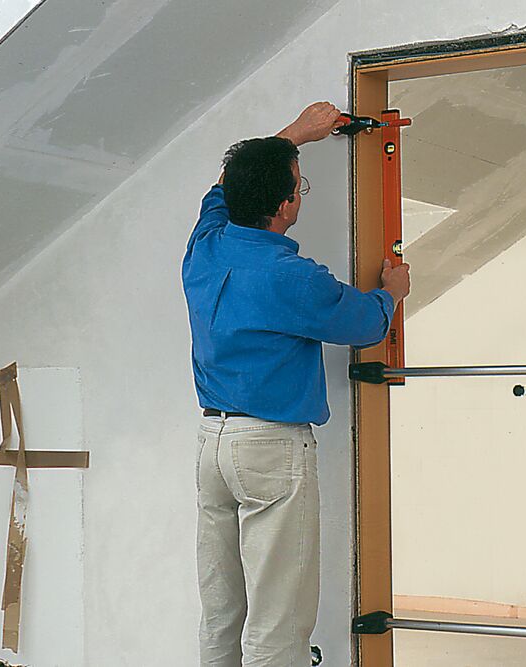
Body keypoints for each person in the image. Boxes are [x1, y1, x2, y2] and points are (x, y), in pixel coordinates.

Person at [182, 101, 410, 666]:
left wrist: (295, 135)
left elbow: (224, 185)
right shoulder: (292, 277)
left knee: (222, 613)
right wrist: (393, 291)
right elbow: (366, 324)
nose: (301, 194)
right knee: (278, 622)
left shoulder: (205, 246)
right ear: (286, 206)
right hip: (270, 451)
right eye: (299, 186)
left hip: (213, 446)